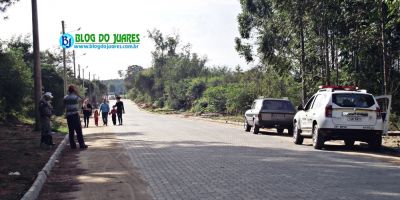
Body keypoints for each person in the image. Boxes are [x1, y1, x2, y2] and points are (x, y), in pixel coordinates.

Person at [64, 85, 88, 149]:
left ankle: (73, 145)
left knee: (71, 130)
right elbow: (83, 99)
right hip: (75, 115)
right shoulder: (75, 97)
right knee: (78, 130)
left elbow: (64, 104)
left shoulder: (65, 97)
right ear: (74, 90)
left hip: (69, 115)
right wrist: (77, 93)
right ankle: (81, 144)